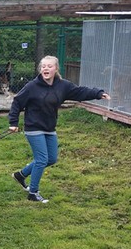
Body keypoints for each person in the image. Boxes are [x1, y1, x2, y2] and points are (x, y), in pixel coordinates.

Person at [8, 55, 110, 203]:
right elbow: (17, 102)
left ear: (56, 69)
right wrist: (13, 122)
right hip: (33, 127)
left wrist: (98, 93)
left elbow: (80, 92)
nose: (46, 69)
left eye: (49, 66)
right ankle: (33, 192)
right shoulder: (32, 86)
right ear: (40, 69)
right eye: (43, 66)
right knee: (42, 159)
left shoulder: (63, 85)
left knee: (51, 158)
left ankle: (21, 175)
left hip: (49, 127)